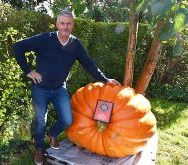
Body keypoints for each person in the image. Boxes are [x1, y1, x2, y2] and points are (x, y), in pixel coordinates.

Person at [12, 10, 120, 165]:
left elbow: (88, 63)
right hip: (40, 88)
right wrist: (28, 71)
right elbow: (17, 47)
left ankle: (53, 133)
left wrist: (104, 79)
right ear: (57, 24)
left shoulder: (75, 44)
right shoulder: (45, 38)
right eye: (62, 23)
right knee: (40, 121)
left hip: (59, 88)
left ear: (73, 25)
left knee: (67, 119)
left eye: (68, 23)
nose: (65, 26)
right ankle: (39, 149)